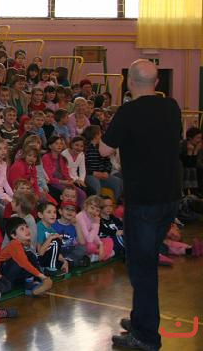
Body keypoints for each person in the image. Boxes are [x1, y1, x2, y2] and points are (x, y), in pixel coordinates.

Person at [99, 61, 182, 348]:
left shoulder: (128, 112)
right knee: (145, 263)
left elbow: (104, 149)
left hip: (144, 201)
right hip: (169, 197)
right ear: (156, 83)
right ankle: (140, 319)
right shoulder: (171, 107)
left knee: (141, 269)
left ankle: (145, 336)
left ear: (129, 83)